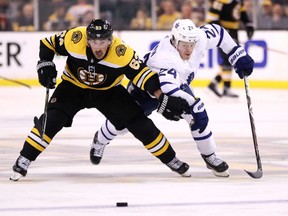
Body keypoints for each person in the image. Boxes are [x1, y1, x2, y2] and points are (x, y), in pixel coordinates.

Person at [10, 19, 192, 181]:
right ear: (87, 39)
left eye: (103, 41)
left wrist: (161, 96)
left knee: (138, 122)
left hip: (108, 91)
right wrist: (45, 64)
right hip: (73, 87)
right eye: (94, 41)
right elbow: (47, 44)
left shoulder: (122, 52)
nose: (98, 46)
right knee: (52, 119)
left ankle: (171, 159)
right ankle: (24, 159)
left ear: (110, 41)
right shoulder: (75, 37)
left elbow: (142, 75)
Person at [90, 19, 254, 177]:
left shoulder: (198, 38)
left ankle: (210, 156)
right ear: (175, 42)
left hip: (177, 84)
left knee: (197, 118)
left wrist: (237, 54)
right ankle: (100, 140)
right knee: (123, 123)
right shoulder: (166, 59)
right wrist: (194, 103)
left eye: (191, 45)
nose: (189, 49)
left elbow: (219, 33)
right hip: (146, 88)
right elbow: (169, 89)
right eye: (184, 45)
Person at [206, 0, 254, 97]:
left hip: (234, 32)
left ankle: (215, 83)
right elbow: (211, 18)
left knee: (232, 59)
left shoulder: (239, 1)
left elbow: (243, 13)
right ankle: (226, 88)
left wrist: (249, 25)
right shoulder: (221, 1)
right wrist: (223, 31)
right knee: (229, 60)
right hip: (222, 35)